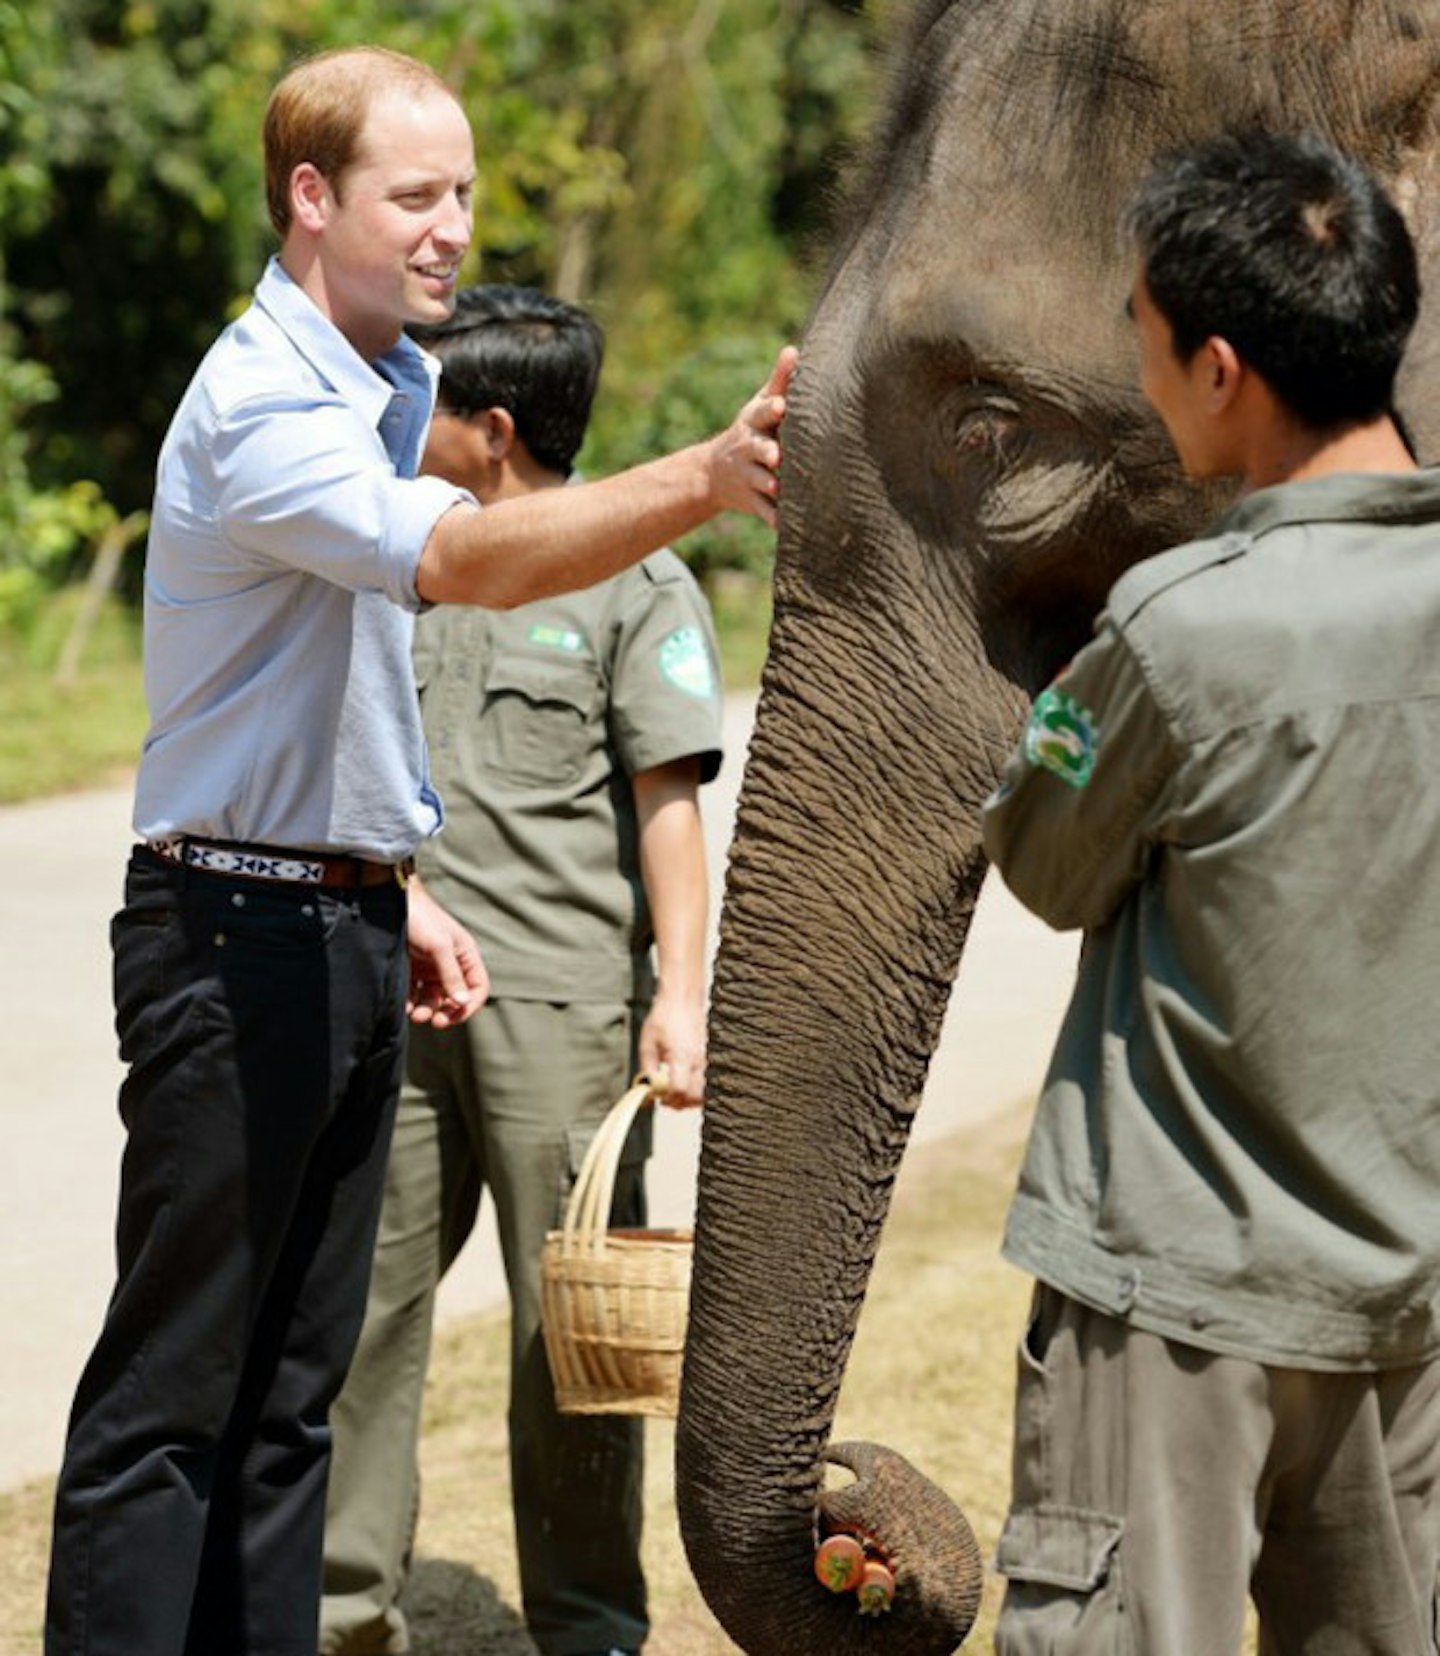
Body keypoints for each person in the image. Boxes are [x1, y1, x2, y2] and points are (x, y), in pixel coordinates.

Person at [44, 44, 792, 1656]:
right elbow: (463, 565)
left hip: (336, 924)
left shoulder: (379, 391)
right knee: (178, 1399)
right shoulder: (265, 403)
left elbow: (328, 694)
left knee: (295, 1399)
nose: (455, 226)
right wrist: (710, 478)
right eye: (417, 195)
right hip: (232, 940)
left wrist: (400, 882)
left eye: (463, 192)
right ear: (311, 199)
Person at [980, 128, 1440, 1652]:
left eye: (1146, 336)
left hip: (1174, 1301)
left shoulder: (1179, 630)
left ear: (1224, 367)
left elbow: (1045, 860)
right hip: (1409, 1307)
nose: (1144, 368)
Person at [319, 284, 722, 1656]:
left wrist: (679, 993)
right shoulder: (392, 552)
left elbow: (669, 805)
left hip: (561, 1016)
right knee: (361, 1315)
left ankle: (591, 1624)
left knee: (575, 1352)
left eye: (422, 402)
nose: (397, 420)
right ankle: (341, 1610)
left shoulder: (637, 577)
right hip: (392, 998)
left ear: (491, 432)